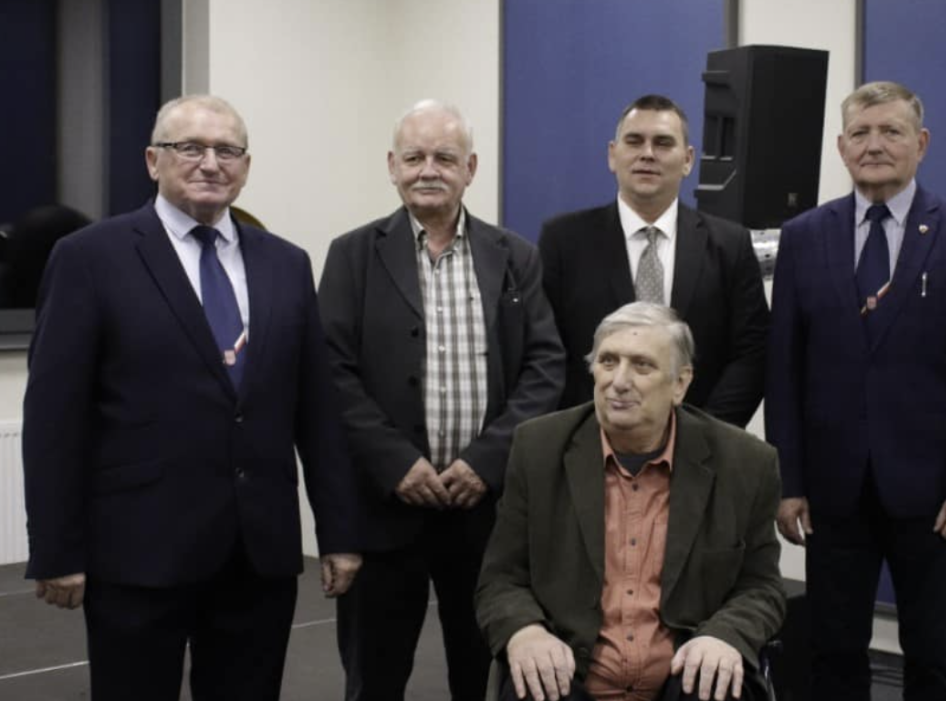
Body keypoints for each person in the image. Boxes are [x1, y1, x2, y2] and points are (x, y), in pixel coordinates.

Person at [21, 95, 361, 701]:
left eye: (227, 150)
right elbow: (54, 417)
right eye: (190, 148)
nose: (210, 163)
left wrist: (338, 531)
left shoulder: (286, 263)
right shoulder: (90, 257)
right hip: (137, 553)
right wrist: (55, 548)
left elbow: (317, 413)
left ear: (246, 166)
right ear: (154, 161)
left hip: (257, 555)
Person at [765, 81, 946, 701]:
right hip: (831, 493)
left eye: (891, 131)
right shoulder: (803, 236)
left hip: (934, 498)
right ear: (841, 147)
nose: (874, 145)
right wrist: (789, 482)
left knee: (933, 656)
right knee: (833, 653)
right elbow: (784, 368)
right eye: (861, 133)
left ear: (920, 143)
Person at [318, 99, 565, 701]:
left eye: (445, 158)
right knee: (374, 676)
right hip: (384, 507)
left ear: (470, 168)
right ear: (392, 166)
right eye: (415, 157)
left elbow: (545, 367)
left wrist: (485, 463)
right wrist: (395, 463)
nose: (428, 170)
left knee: (481, 672)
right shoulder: (352, 255)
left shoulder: (515, 256)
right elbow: (331, 371)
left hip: (485, 510)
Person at [476, 302, 785, 701]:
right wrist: (525, 631)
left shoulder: (744, 463)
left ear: (680, 384)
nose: (618, 381)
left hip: (686, 676)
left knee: (716, 687)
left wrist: (725, 635)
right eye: (608, 361)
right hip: (570, 675)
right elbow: (501, 578)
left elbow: (761, 586)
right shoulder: (538, 448)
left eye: (642, 365)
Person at [538, 94, 768, 427]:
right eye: (634, 141)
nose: (647, 153)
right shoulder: (564, 241)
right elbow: (546, 351)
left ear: (688, 160)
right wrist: (586, 431)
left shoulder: (730, 245)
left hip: (701, 442)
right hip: (590, 439)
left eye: (663, 143)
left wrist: (704, 434)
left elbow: (752, 354)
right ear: (613, 155)